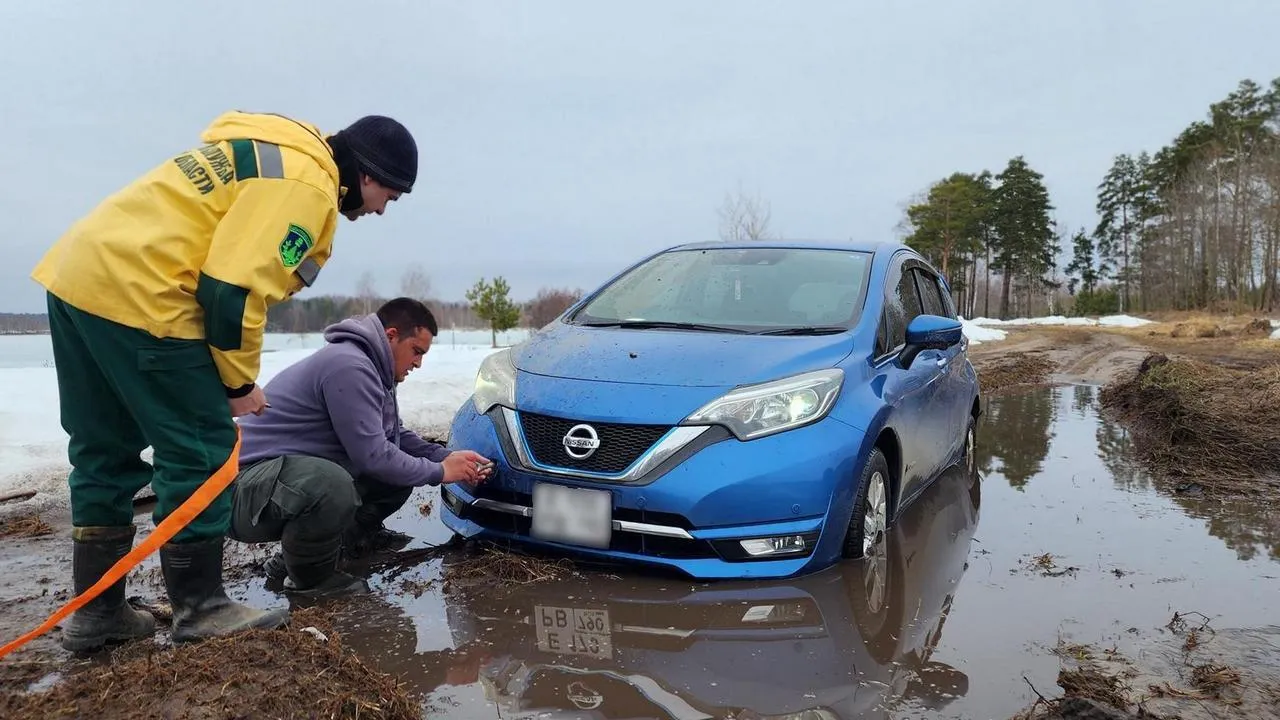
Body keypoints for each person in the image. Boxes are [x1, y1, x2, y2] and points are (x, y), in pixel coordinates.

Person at [29, 110, 419, 651]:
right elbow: (232, 289)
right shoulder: (306, 185)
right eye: (389, 198)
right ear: (369, 175)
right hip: (147, 295)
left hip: (80, 278)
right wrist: (236, 385)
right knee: (199, 450)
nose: (379, 211)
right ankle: (201, 606)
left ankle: (98, 615)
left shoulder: (271, 154)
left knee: (102, 452)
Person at [228, 298, 492, 597]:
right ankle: (308, 579)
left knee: (395, 473)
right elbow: (374, 457)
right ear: (391, 335)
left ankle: (337, 547)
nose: (418, 363)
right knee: (333, 484)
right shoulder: (349, 366)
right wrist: (440, 471)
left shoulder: (370, 367)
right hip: (242, 488)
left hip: (279, 480)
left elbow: (393, 437)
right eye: (416, 351)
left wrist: (444, 456)